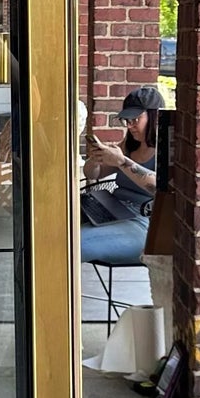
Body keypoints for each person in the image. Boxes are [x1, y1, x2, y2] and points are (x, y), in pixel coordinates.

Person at [80, 84, 167, 265]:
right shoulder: (130, 143)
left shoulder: (168, 147)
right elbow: (93, 173)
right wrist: (96, 158)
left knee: (73, 244)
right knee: (54, 228)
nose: (130, 126)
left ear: (154, 116)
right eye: (127, 120)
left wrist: (122, 161)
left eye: (135, 119)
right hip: (113, 208)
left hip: (144, 224)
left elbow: (159, 187)